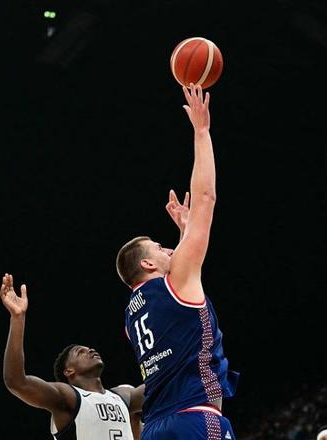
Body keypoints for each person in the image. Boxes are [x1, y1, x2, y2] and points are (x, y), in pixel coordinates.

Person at [116, 83, 239, 440]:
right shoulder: (175, 281)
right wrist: (202, 131)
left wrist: (186, 234)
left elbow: (180, 318)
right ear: (147, 265)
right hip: (194, 418)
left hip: (155, 427)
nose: (169, 249)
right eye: (159, 248)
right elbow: (205, 197)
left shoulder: (131, 316)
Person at [0, 273, 145, 440]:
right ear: (69, 371)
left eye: (88, 348)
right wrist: (17, 318)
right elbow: (16, 381)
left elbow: (161, 382)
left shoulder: (124, 396)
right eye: (80, 352)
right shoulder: (68, 398)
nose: (90, 350)